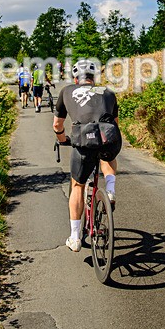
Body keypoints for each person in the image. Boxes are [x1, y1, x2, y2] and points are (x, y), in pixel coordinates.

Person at [53, 59, 121, 252]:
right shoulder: (108, 92)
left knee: (78, 184)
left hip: (83, 140)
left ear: (76, 78)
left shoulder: (67, 91)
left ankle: (75, 237)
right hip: (108, 137)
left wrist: (62, 138)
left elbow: (57, 125)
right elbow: (114, 124)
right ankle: (110, 189)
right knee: (107, 156)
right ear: (94, 78)